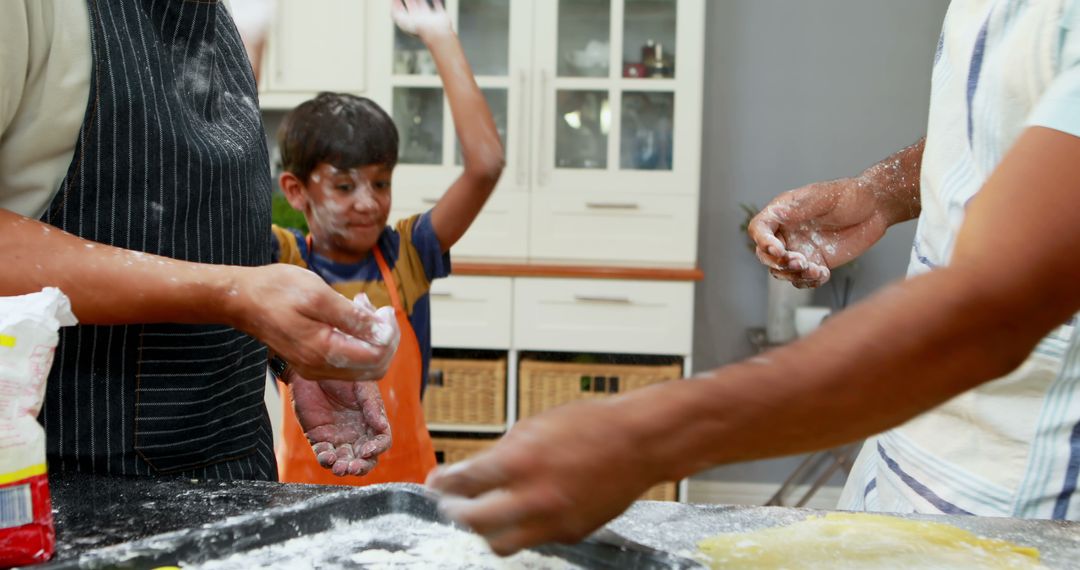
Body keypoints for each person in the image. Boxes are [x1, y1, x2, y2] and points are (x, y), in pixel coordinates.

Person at [426, 0, 1080, 555]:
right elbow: (1010, 133)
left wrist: (643, 437)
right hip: (908, 449)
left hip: (1026, 493)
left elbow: (992, 310)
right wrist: (880, 193)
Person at [0, 0, 397, 480]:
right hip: (70, 486)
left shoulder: (218, 18)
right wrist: (232, 294)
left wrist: (285, 342)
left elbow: (197, 232)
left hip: (235, 468)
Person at [271, 0, 505, 484]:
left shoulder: (408, 255)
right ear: (296, 191)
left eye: (381, 183)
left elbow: (485, 166)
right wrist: (247, 43)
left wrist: (440, 36)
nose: (368, 203)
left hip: (407, 484)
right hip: (305, 486)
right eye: (343, 186)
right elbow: (222, 197)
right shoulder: (285, 262)